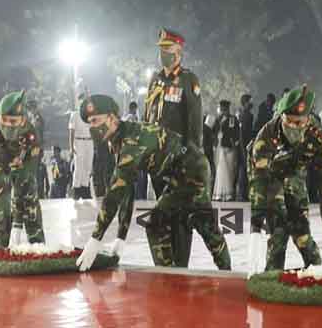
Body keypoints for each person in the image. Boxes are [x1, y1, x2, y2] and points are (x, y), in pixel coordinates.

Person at [75, 94, 230, 271]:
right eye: (89, 123)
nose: (92, 127)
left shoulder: (131, 141)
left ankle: (170, 278)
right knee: (202, 222)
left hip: (190, 168)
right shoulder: (119, 139)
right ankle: (203, 273)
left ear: (111, 117)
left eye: (95, 121)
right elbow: (127, 190)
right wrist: (120, 237)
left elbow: (115, 193)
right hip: (182, 170)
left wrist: (96, 238)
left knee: (161, 223)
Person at [248, 86, 322, 275]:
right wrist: (255, 231)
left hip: (296, 175)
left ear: (308, 119)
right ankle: (271, 278)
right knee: (279, 233)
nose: (296, 127)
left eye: (301, 123)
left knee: (302, 231)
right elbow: (259, 182)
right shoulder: (267, 135)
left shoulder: (318, 136)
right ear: (281, 117)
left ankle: (317, 272)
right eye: (290, 122)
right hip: (270, 176)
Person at [142, 28, 202, 267]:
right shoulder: (155, 80)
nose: (163, 54)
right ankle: (166, 264)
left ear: (179, 52)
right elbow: (148, 118)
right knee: (163, 212)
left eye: (168, 50)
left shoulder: (189, 80)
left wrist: (191, 156)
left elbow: (194, 122)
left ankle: (181, 264)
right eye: (161, 50)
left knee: (180, 214)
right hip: (157, 160)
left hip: (178, 159)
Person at [0, 90, 46, 251]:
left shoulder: (30, 134)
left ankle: (37, 243)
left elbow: (26, 177)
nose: (9, 125)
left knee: (30, 198)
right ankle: (2, 243)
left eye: (14, 122)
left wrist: (18, 225)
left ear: (23, 120)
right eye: (4, 120)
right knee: (1, 202)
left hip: (20, 168)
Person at [212, 100, 240, 202]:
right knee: (220, 171)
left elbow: (234, 133)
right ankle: (220, 193)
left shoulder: (232, 119)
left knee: (228, 171)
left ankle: (228, 194)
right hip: (220, 148)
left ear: (225, 108)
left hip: (229, 148)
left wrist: (233, 145)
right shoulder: (219, 119)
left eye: (221, 107)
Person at [69, 93, 93, 200]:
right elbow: (71, 131)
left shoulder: (90, 115)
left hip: (89, 141)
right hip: (79, 141)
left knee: (88, 166)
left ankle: (85, 189)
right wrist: (70, 147)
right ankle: (76, 190)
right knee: (79, 166)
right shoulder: (75, 114)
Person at [237, 94, 254, 201]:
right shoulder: (246, 116)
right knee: (244, 169)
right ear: (245, 102)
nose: (251, 103)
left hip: (244, 144)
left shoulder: (244, 114)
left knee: (244, 169)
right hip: (244, 144)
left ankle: (243, 193)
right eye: (250, 101)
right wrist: (244, 147)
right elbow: (243, 133)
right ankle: (243, 194)